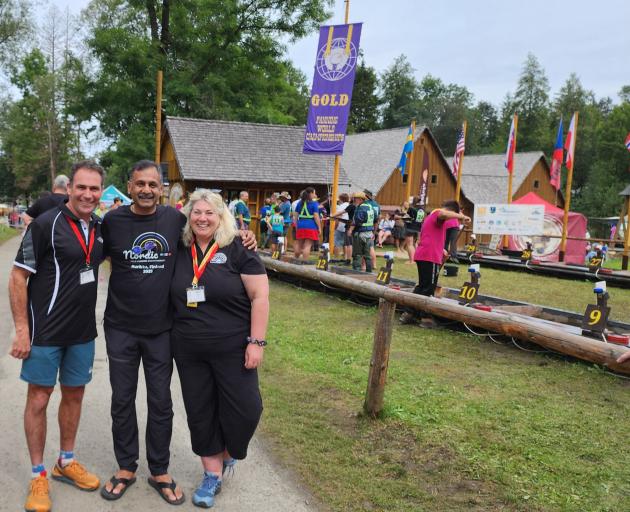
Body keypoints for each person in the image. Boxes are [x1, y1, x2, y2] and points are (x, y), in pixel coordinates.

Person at [99, 160, 257, 504]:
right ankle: (126, 466)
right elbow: (85, 256)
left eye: (153, 185)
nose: (146, 190)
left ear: (162, 189)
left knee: (161, 402)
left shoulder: (175, 220)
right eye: (140, 183)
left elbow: (210, 225)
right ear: (129, 186)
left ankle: (159, 470)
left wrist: (245, 234)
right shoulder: (112, 221)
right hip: (121, 328)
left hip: (161, 330)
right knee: (122, 400)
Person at [9, 161, 105, 512]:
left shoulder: (99, 227)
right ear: (69, 189)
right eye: (81, 187)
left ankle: (66, 461)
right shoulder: (45, 226)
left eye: (94, 189)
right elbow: (18, 277)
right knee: (39, 398)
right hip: (45, 333)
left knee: (75, 396)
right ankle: (38, 474)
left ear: (100, 192)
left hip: (82, 332)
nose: (87, 194)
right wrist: (22, 329)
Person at [170, 189, 268, 508]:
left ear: (221, 216)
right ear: (189, 216)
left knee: (247, 408)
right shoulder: (180, 246)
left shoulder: (238, 246)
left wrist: (256, 342)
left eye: (209, 212)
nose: (202, 218)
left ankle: (227, 454)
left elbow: (260, 297)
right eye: (197, 212)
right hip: (189, 348)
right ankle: (211, 475)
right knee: (201, 411)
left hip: (234, 347)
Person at [400, 200, 471, 326]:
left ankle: (409, 313)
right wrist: (462, 216)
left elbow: (433, 235)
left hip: (424, 253)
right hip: (430, 256)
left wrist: (442, 249)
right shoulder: (438, 213)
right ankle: (425, 318)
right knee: (429, 287)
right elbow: (443, 214)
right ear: (452, 211)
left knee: (422, 285)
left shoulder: (431, 218)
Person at [347, 191, 375, 273]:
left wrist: (350, 229)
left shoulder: (360, 208)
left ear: (360, 199)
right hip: (369, 234)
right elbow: (375, 219)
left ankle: (356, 272)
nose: (354, 200)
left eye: (355, 199)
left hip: (360, 233)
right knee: (367, 255)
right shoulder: (370, 206)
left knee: (357, 254)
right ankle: (369, 271)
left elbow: (357, 221)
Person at [293, 187, 321, 260]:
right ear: (311, 193)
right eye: (314, 193)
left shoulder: (299, 203)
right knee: (307, 245)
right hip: (310, 225)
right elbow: (316, 216)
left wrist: (296, 226)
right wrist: (319, 227)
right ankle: (304, 261)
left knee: (299, 244)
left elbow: (295, 216)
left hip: (300, 224)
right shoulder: (314, 204)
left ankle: (296, 259)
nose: (315, 195)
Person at [363, 189, 380, 270]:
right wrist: (375, 231)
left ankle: (364, 265)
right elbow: (378, 218)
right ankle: (374, 264)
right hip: (373, 225)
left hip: (366, 226)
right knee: (371, 246)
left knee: (366, 247)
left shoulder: (366, 204)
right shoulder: (376, 204)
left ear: (366, 195)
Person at [331, 193, 351, 261]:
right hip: (347, 226)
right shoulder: (350, 205)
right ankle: (345, 257)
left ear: (341, 199)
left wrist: (335, 227)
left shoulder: (340, 206)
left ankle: (336, 258)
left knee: (337, 243)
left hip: (340, 225)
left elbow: (337, 218)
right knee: (345, 243)